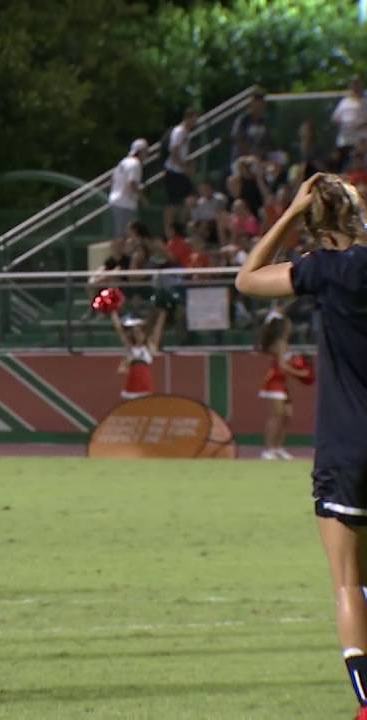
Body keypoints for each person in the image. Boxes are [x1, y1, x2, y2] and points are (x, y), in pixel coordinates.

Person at [234, 173, 367, 720]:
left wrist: (288, 214)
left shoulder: (321, 271)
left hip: (346, 445)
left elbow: (247, 279)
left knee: (348, 583)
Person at [256, 310, 312, 461]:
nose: (290, 327)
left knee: (287, 415)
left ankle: (279, 447)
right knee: (276, 415)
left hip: (282, 382)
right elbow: (281, 365)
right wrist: (300, 373)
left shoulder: (285, 343)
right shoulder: (279, 343)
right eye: (288, 325)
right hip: (274, 381)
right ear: (282, 327)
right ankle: (269, 450)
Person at [109, 307, 167, 400]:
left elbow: (158, 330)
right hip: (132, 380)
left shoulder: (149, 347)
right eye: (135, 332)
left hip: (145, 381)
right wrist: (112, 311)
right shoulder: (130, 347)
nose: (138, 334)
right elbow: (119, 330)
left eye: (140, 332)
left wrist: (162, 314)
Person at [163, 108, 198, 232]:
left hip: (181, 172)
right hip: (174, 172)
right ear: (188, 118)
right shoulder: (179, 131)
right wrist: (184, 167)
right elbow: (174, 150)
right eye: (194, 119)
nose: (195, 122)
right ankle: (169, 231)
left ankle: (180, 227)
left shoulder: (186, 133)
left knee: (190, 199)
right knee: (172, 204)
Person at [109, 139, 147, 239]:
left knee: (121, 233)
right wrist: (143, 199)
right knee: (125, 235)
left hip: (115, 200)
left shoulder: (123, 162)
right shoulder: (135, 164)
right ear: (141, 151)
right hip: (125, 203)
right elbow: (132, 183)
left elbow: (112, 180)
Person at [333, 76, 367, 172]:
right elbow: (336, 118)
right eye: (354, 84)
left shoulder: (365, 102)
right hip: (345, 140)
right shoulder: (344, 102)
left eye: (358, 84)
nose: (355, 87)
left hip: (362, 140)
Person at [231, 90, 270, 164]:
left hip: (260, 156)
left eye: (261, 104)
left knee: (281, 157)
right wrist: (250, 154)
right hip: (243, 157)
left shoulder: (263, 121)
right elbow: (238, 139)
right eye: (257, 104)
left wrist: (262, 153)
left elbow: (267, 141)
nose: (259, 107)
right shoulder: (242, 120)